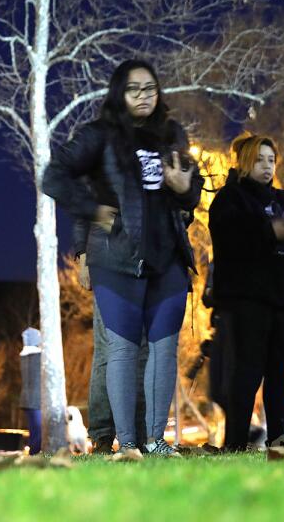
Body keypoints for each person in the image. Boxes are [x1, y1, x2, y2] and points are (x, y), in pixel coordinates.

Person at [43, 59, 202, 456]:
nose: (144, 96)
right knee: (123, 349)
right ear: (119, 93)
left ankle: (155, 440)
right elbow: (54, 175)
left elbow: (191, 192)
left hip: (167, 257)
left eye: (150, 88)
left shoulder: (172, 133)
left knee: (165, 348)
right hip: (116, 259)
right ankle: (126, 442)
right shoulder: (99, 136)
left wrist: (185, 188)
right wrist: (94, 212)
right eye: (134, 89)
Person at [206, 134, 284, 449]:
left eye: (271, 160)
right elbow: (231, 240)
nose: (267, 166)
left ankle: (278, 437)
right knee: (246, 371)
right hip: (248, 300)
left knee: (279, 371)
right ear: (244, 162)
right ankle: (236, 441)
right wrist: (271, 231)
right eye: (260, 159)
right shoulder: (230, 199)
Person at [72, 222, 148, 454]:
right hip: (108, 262)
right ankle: (103, 435)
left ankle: (140, 436)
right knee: (109, 350)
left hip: (146, 263)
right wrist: (83, 257)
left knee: (143, 353)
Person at [19, 327, 42, 455]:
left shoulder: (24, 355)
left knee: (35, 429)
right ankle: (35, 454)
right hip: (36, 400)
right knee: (38, 429)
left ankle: (35, 452)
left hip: (27, 398)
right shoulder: (37, 355)